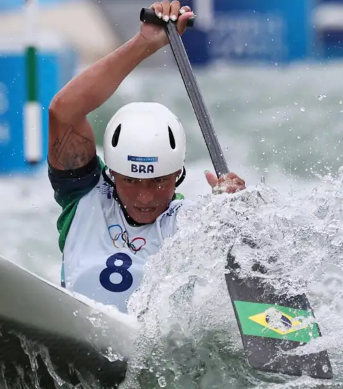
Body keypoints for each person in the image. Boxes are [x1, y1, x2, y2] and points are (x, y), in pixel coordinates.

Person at [47, 0, 246, 312]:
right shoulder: (83, 197)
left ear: (177, 174)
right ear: (111, 173)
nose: (144, 197)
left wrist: (237, 214)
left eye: (158, 182)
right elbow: (64, 111)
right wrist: (145, 44)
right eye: (131, 181)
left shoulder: (191, 224)